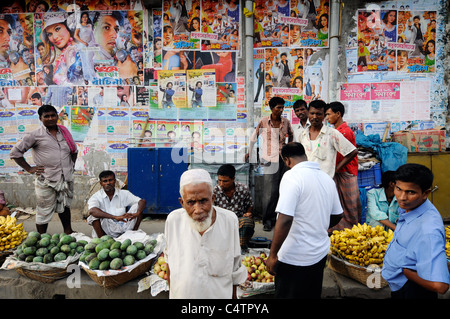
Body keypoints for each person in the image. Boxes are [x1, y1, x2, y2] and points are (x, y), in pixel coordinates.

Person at [266, 142, 343, 299]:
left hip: (294, 257)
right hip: (319, 254)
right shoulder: (326, 178)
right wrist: (319, 224)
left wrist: (273, 255)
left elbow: (285, 218)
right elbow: (338, 214)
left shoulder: (291, 176)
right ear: (305, 156)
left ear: (287, 160)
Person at [164, 169, 247, 299]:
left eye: (203, 201)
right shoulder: (173, 220)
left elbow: (235, 267)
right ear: (182, 203)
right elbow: (169, 263)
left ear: (213, 198)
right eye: (191, 202)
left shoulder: (229, 220)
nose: (198, 210)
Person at [382, 163, 449, 299]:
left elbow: (440, 286)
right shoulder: (412, 207)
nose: (401, 197)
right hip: (401, 285)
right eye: (398, 189)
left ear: (426, 193)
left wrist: (407, 273)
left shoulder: (428, 230)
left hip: (413, 290)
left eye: (411, 192)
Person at [10, 104, 78, 234]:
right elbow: (15, 153)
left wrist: (70, 166)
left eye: (53, 115)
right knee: (43, 209)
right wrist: (29, 168)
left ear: (57, 116)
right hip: (47, 179)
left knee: (64, 206)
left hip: (65, 178)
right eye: (46, 116)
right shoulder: (35, 135)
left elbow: (73, 150)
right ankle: (41, 237)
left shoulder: (64, 132)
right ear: (40, 118)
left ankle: (68, 231)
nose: (50, 118)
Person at [246, 96, 294, 231]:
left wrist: (289, 148)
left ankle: (280, 219)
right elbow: (253, 138)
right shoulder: (263, 121)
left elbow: (291, 135)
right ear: (272, 108)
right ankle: (267, 220)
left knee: (283, 189)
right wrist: (249, 152)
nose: (281, 110)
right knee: (269, 192)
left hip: (284, 158)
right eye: (278, 107)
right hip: (269, 159)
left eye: (282, 107)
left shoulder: (286, 122)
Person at [325, 101, 361, 232]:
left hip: (346, 172)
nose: (327, 118)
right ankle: (340, 231)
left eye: (328, 114)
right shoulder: (337, 131)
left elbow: (346, 154)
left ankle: (352, 231)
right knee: (340, 204)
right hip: (340, 172)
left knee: (349, 205)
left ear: (338, 114)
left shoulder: (344, 132)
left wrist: (335, 169)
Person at [299, 100, 357, 179]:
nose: (315, 117)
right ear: (308, 114)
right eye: (312, 113)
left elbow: (352, 151)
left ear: (323, 116)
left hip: (325, 180)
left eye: (318, 114)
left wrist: (335, 169)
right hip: (306, 179)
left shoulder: (332, 134)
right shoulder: (302, 135)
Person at [87, 170, 146, 238]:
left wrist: (137, 213)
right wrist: (114, 217)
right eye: (105, 181)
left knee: (138, 206)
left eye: (110, 180)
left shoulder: (124, 193)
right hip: (106, 229)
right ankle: (102, 240)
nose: (108, 183)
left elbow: (142, 201)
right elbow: (92, 211)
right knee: (93, 216)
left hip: (123, 226)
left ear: (115, 181)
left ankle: (133, 233)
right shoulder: (96, 196)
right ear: (101, 183)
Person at [213, 164, 254, 252]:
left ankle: (240, 248)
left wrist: (248, 213)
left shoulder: (243, 189)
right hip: (221, 222)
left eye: (225, 181)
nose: (221, 184)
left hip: (238, 221)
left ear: (233, 179)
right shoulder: (215, 192)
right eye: (219, 180)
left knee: (247, 222)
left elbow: (250, 205)